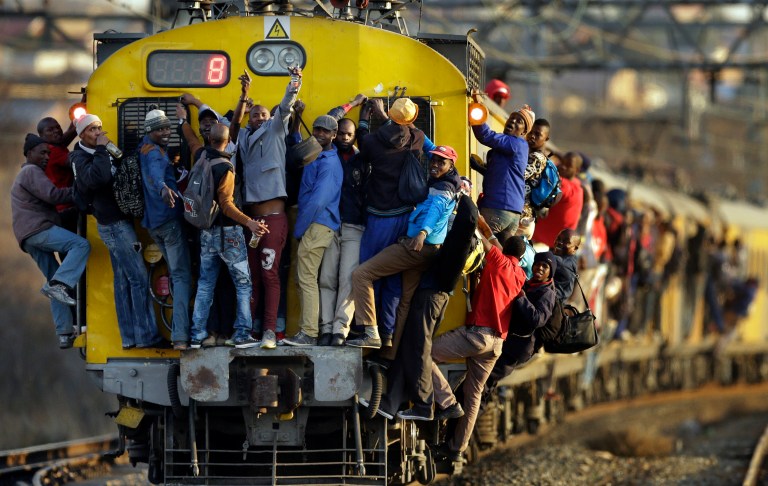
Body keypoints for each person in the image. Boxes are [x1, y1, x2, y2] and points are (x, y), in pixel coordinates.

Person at [371, 193, 480, 420]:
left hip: (431, 298)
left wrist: (461, 196)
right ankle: (390, 404)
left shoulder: (461, 240)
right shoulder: (462, 239)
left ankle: (427, 405)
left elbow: (469, 217)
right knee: (410, 348)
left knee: (419, 349)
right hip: (431, 297)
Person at [347, 145, 462, 349]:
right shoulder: (446, 181)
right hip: (430, 250)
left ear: (451, 165)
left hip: (417, 246)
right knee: (405, 301)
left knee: (361, 275)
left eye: (441, 162)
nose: (435, 165)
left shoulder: (443, 188)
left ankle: (370, 331)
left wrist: (422, 232)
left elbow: (434, 211)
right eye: (433, 160)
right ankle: (390, 353)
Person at [70, 114, 163, 349]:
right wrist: (102, 150)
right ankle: (146, 336)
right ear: (81, 134)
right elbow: (98, 179)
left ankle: (130, 337)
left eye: (100, 127)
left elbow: (120, 164)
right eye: (92, 129)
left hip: (120, 221)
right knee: (139, 279)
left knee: (123, 281)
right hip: (113, 226)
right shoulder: (80, 157)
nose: (98, 133)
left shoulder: (103, 149)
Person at [430, 234, 527, 461]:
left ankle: (447, 402)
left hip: (477, 336)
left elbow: (482, 239)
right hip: (496, 345)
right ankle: (457, 448)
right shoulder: (520, 274)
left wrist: (478, 220)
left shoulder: (498, 260)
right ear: (521, 257)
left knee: (424, 353)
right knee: (474, 395)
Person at [231, 68, 301, 348]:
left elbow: (286, 105)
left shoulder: (275, 130)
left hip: (272, 218)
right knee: (251, 277)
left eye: (263, 114)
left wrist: (295, 81)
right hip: (251, 220)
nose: (259, 117)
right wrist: (244, 96)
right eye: (255, 114)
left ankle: (270, 331)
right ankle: (250, 330)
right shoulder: (245, 139)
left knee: (270, 273)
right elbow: (233, 129)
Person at [188, 123, 269, 349]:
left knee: (205, 285)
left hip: (206, 232)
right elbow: (226, 205)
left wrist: (184, 121)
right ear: (228, 141)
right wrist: (249, 222)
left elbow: (191, 140)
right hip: (229, 234)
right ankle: (242, 333)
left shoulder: (201, 157)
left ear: (210, 140)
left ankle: (197, 335)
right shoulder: (225, 167)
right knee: (243, 284)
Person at [355, 97, 426, 348]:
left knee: (368, 274)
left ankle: (367, 329)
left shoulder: (373, 142)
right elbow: (407, 129)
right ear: (412, 118)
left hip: (378, 216)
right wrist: (386, 115)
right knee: (393, 276)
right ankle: (387, 333)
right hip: (405, 217)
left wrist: (366, 117)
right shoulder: (416, 138)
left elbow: (362, 140)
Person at [11, 134, 90, 349]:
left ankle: (64, 332)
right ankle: (61, 285)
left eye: (49, 153)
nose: (47, 156)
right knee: (81, 245)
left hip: (27, 236)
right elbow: (53, 195)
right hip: (38, 229)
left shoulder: (26, 173)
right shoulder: (31, 171)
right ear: (29, 153)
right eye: (42, 152)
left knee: (53, 279)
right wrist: (80, 191)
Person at [283, 115, 343, 347]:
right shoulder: (317, 155)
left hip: (317, 224)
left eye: (324, 131)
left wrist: (299, 229)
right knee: (303, 278)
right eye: (316, 130)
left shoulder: (328, 164)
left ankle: (308, 332)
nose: (318, 134)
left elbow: (317, 202)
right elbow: (299, 149)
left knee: (307, 279)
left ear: (333, 136)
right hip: (315, 224)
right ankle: (306, 330)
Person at [139, 107, 193, 351]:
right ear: (151, 131)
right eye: (160, 129)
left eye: (167, 128)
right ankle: (181, 335)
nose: (166, 132)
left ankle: (177, 330)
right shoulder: (155, 155)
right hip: (168, 222)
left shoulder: (144, 147)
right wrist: (163, 188)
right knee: (182, 277)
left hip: (153, 224)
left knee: (174, 273)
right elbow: (154, 175)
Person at [479, 251, 558, 412]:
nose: (540, 268)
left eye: (545, 266)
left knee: (485, 381)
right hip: (510, 341)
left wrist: (522, 299)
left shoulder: (547, 294)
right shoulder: (530, 284)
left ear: (551, 272)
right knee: (485, 382)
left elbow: (537, 319)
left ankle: (467, 425)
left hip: (518, 348)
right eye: (538, 264)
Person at [318, 116, 367, 346]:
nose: (345, 138)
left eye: (350, 134)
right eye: (341, 134)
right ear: (335, 134)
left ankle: (340, 329)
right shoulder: (326, 156)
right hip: (329, 224)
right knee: (326, 278)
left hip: (354, 225)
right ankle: (326, 327)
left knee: (348, 280)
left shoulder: (362, 160)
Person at [471, 104, 535, 243]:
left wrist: (475, 111)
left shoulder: (516, 143)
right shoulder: (517, 147)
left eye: (519, 121)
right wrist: (481, 168)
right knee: (499, 254)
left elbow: (485, 135)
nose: (513, 121)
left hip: (498, 207)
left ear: (524, 132)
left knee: (483, 248)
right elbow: (504, 175)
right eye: (512, 118)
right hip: (512, 212)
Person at [533, 151, 584, 248]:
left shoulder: (564, 185)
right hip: (558, 245)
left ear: (577, 170)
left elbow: (547, 173)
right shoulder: (579, 188)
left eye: (568, 165)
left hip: (543, 244)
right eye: (562, 162)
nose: (563, 166)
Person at [37, 117, 78, 232]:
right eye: (50, 130)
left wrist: (84, 103)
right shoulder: (54, 152)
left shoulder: (48, 147)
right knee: (74, 244)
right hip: (65, 208)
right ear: (42, 136)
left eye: (58, 127)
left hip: (57, 208)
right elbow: (77, 163)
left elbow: (68, 134)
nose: (56, 131)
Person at [552, 228, 581, 302]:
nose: (559, 242)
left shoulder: (564, 263)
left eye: (566, 242)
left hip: (552, 306)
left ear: (575, 248)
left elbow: (545, 258)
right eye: (558, 238)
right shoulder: (570, 258)